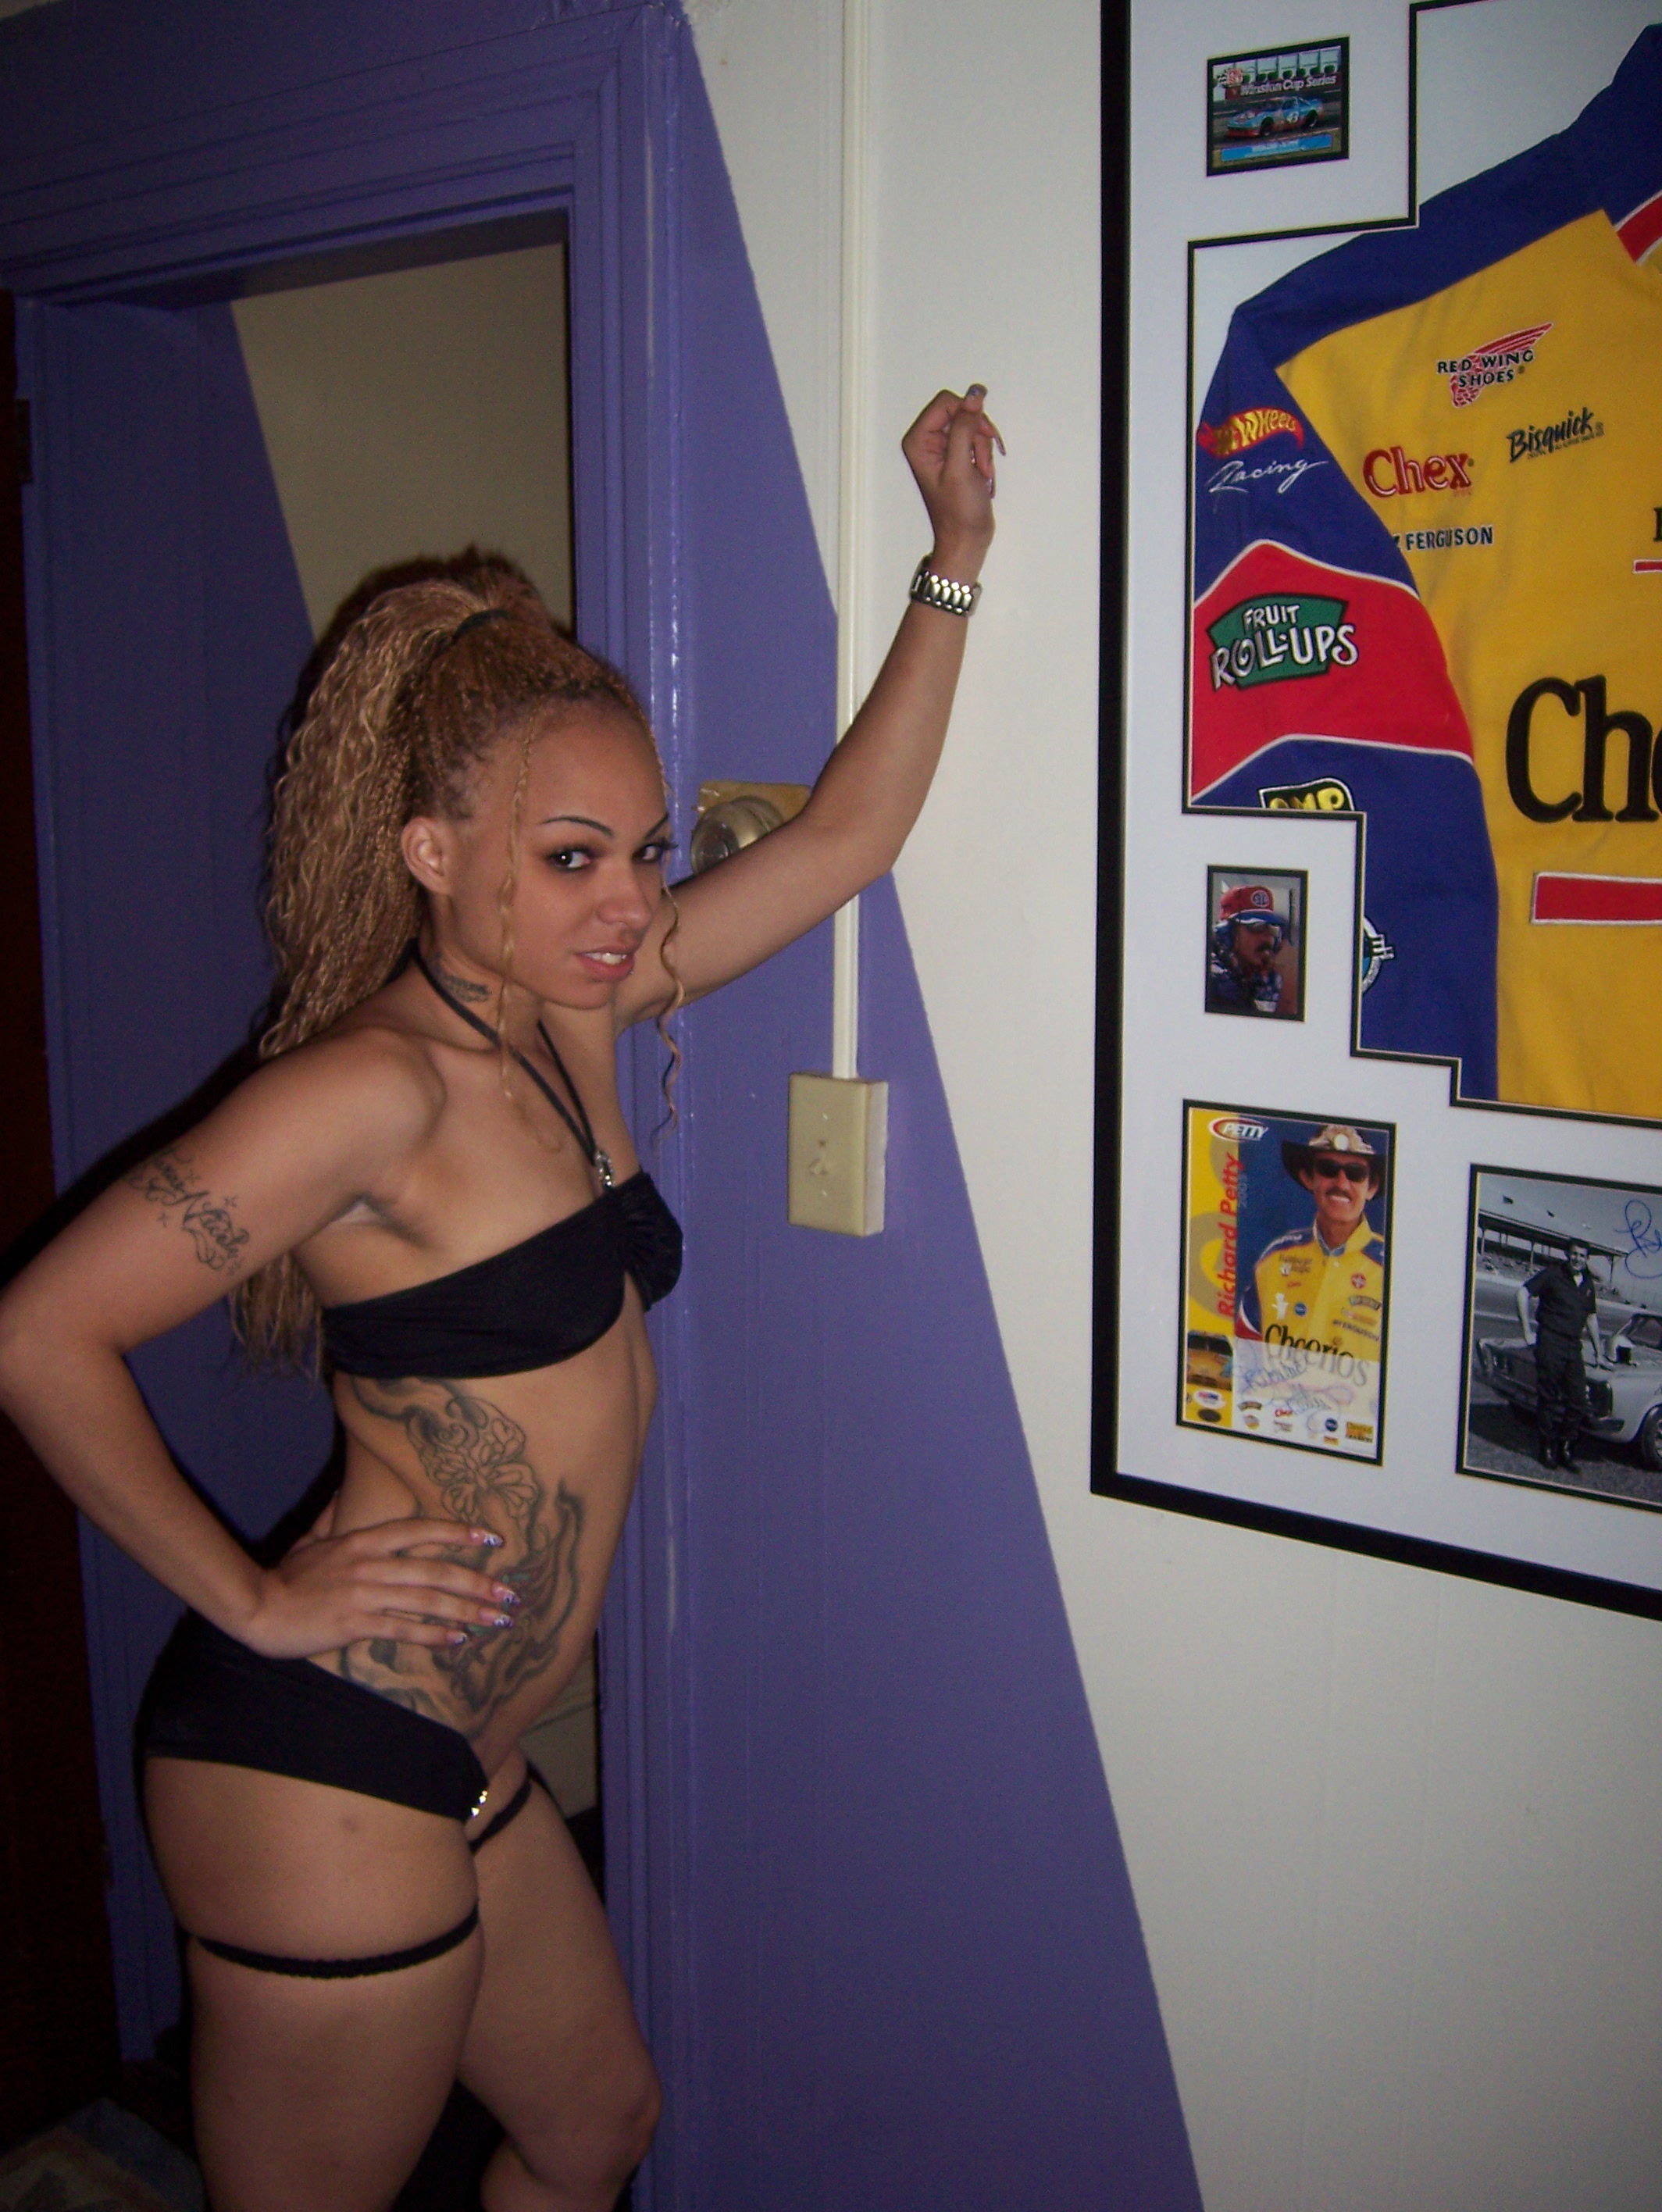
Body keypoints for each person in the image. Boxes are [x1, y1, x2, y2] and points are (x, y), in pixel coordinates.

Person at [0, 384, 1000, 2212]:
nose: (625, 901)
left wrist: (955, 561)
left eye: (645, 849)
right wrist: (250, 1591)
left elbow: (848, 837)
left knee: (592, 2129)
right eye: (570, 857)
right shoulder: (369, 1093)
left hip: (456, 1750)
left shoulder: (569, 1011)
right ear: (433, 855)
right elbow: (37, 1332)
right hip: (318, 1761)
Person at [1236, 1124, 1385, 1358]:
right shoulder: (1274, 1258)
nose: (1342, 1184)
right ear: (1309, 1178)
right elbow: (1244, 1353)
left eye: (1355, 1173)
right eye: (1328, 1169)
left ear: (1371, 1187)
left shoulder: (1391, 1270)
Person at [1517, 1240, 1601, 1472]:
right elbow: (1522, 1293)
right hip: (1551, 1342)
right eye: (1574, 1254)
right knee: (1549, 1398)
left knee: (1578, 1400)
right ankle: (1546, 1448)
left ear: (1587, 1259)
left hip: (1573, 1346)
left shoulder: (1588, 1283)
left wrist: (1599, 1352)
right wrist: (1526, 1331)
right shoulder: (1552, 1275)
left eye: (1582, 1256)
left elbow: (1591, 1318)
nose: (1577, 1259)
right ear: (1567, 1254)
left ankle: (1565, 1448)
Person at [1205, 882, 1292, 1015]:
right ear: (1228, 934)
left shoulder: (1265, 977)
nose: (1267, 938)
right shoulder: (1215, 982)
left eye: (1271, 928)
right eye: (1257, 927)